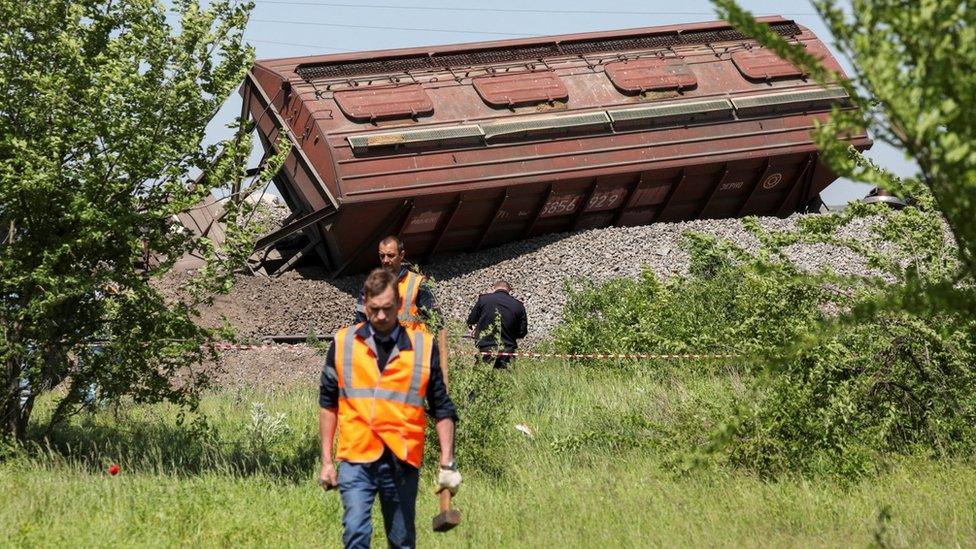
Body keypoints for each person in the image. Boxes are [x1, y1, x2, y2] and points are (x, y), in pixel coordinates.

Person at [321, 268, 461, 549]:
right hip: (356, 455)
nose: (381, 316)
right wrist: (326, 461)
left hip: (401, 458)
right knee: (355, 533)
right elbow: (328, 402)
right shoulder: (344, 342)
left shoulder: (423, 345)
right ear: (365, 305)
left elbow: (441, 405)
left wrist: (447, 461)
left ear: (398, 305)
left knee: (401, 540)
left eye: (387, 309)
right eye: (374, 310)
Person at [354, 236, 439, 333]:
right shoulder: (370, 285)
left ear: (402, 255)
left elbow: (437, 322)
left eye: (390, 255)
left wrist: (441, 347)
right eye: (382, 256)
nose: (385, 260)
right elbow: (360, 321)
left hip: (411, 345)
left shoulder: (417, 283)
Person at [466, 280, 528, 369]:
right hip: (507, 349)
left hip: (486, 347)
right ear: (509, 290)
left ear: (494, 288)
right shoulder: (519, 305)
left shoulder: (483, 299)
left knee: (480, 378)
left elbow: (471, 320)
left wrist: (473, 329)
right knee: (506, 380)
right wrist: (510, 335)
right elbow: (522, 332)